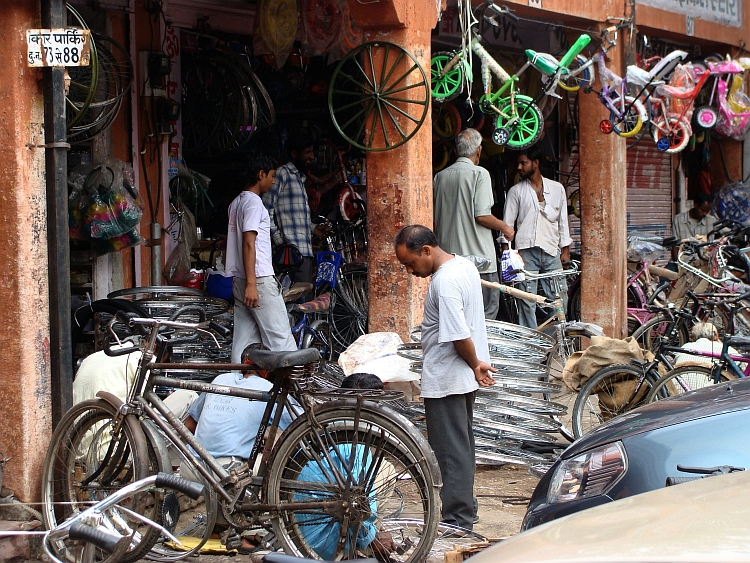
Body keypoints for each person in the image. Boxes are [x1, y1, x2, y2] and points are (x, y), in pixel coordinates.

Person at [394, 225, 495, 530]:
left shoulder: (445, 282)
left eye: (411, 264)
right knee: (461, 446)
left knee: (450, 453)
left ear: (426, 250)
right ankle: (467, 509)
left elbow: (458, 335)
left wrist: (475, 363)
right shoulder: (462, 265)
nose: (411, 272)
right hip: (460, 376)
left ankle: (457, 520)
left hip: (449, 377)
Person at [433, 128, 514, 320]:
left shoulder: (440, 177)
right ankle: (479, 351)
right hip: (480, 264)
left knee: (456, 317)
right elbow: (482, 215)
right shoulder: (480, 174)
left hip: (449, 261)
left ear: (455, 150)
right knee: (486, 316)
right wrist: (505, 227)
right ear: (478, 150)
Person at [226, 151, 297, 363]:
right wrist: (252, 284)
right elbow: (249, 243)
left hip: (241, 280)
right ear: (260, 174)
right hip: (258, 280)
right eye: (272, 175)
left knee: (243, 342)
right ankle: (292, 391)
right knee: (281, 340)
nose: (273, 181)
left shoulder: (235, 203)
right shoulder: (254, 204)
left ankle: (234, 387)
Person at [500, 144, 572, 329]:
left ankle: (554, 339)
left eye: (523, 163)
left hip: (551, 250)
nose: (519, 167)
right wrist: (506, 254)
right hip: (526, 252)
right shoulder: (516, 191)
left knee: (558, 297)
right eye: (518, 163)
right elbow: (507, 226)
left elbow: (563, 221)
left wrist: (565, 251)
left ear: (535, 163)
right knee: (527, 299)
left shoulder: (557, 189)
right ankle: (532, 342)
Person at [262, 131, 329, 284]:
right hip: (288, 255)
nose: (312, 157)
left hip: (303, 252)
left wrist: (314, 228)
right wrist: (280, 241)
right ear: (294, 154)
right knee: (296, 303)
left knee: (302, 303)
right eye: (308, 152)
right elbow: (265, 211)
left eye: (312, 151)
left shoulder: (299, 178)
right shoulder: (281, 174)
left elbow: (294, 218)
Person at [673, 322, 746, 370]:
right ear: (716, 336)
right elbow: (744, 366)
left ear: (692, 337)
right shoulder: (724, 349)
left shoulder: (685, 347)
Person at [670, 192, 717, 261]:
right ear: (695, 205)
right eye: (703, 210)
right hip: (685, 262)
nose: (705, 214)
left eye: (707, 211)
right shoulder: (679, 220)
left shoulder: (711, 221)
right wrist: (678, 264)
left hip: (704, 262)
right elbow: (674, 245)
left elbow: (727, 231)